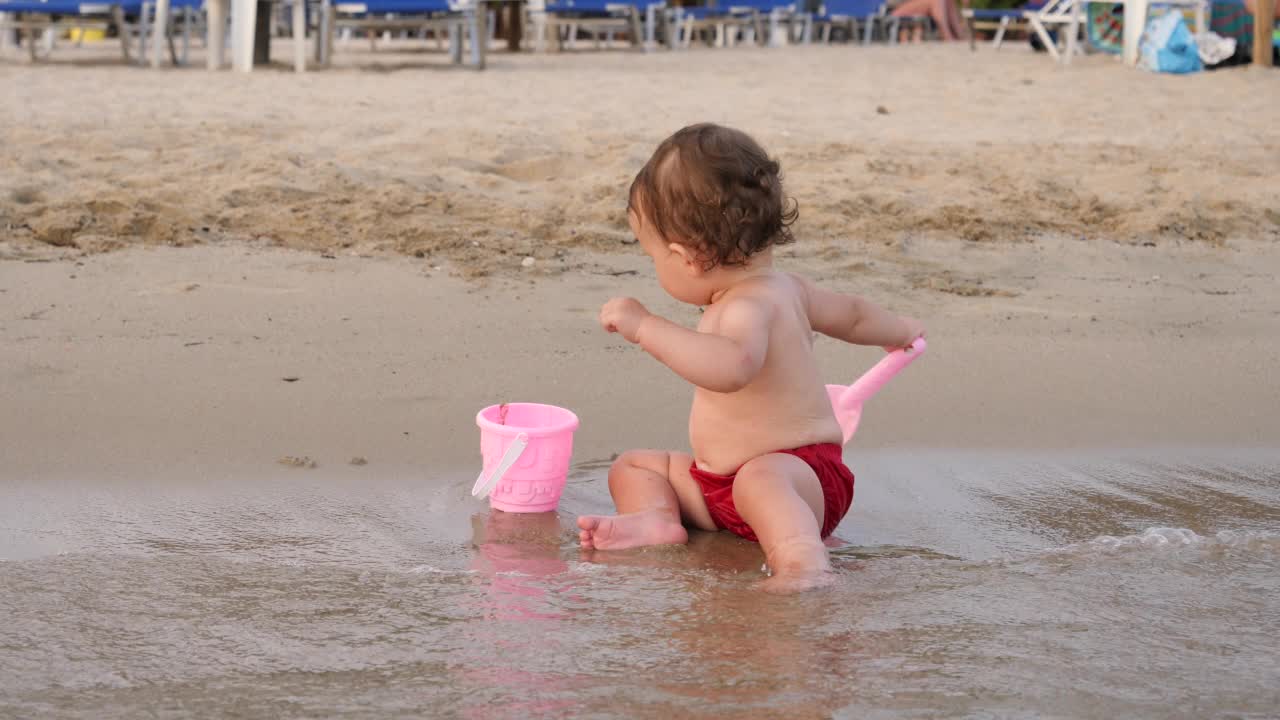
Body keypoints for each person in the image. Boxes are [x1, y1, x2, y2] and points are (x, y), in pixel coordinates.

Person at [576, 124, 925, 592]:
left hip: (801, 480)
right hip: (720, 487)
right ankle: (657, 520)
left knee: (760, 478)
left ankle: (802, 560)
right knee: (637, 466)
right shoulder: (791, 289)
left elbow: (731, 367)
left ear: (687, 258)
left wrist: (646, 328)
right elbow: (856, 316)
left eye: (654, 256)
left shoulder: (748, 307)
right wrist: (900, 329)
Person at [890, 0, 968, 42]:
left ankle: (960, 36)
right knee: (936, 1)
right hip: (893, 12)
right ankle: (948, 37)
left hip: (909, 9)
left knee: (948, 1)